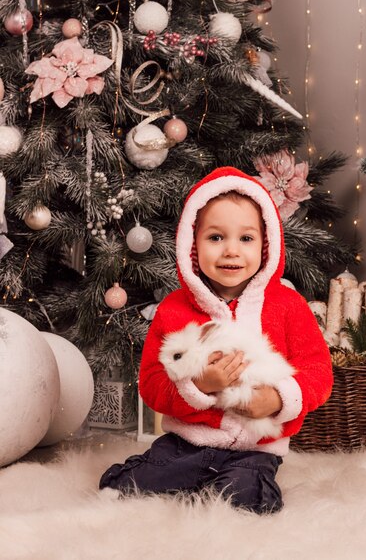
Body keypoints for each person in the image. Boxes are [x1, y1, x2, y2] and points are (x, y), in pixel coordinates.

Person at [99, 166, 333, 514]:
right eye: (216, 237)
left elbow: (319, 373)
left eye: (246, 238)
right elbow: (150, 383)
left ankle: (233, 487)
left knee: (240, 498)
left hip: (255, 450)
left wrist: (276, 399)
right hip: (187, 442)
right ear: (192, 245)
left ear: (267, 243)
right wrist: (199, 386)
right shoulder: (174, 309)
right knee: (127, 488)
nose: (231, 252)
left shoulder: (287, 306)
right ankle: (180, 478)